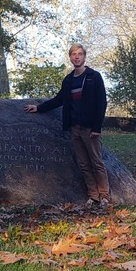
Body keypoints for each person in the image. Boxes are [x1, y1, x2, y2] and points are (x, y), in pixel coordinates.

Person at [24, 43, 110, 208]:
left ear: (84, 57)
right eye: (73, 54)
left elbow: (101, 103)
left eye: (79, 54)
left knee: (96, 162)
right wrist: (39, 108)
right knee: (84, 164)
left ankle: (105, 195)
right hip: (75, 127)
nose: (77, 57)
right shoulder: (69, 80)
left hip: (90, 128)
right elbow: (59, 100)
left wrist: (97, 127)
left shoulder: (94, 77)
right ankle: (93, 196)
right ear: (70, 57)